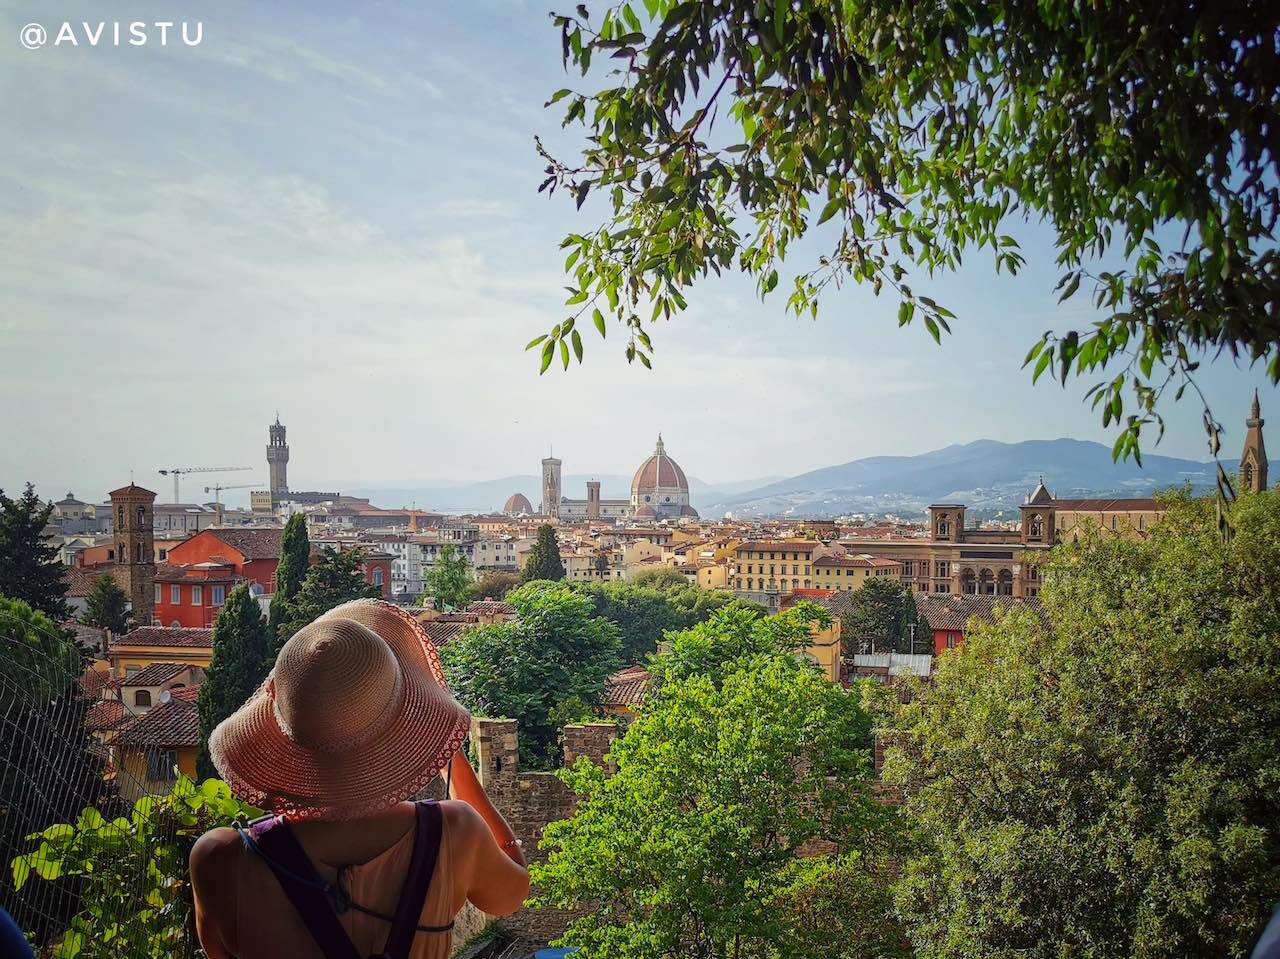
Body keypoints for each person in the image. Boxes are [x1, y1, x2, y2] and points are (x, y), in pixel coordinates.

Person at [190, 599, 529, 959]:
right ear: (406, 726)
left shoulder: (221, 859)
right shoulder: (453, 832)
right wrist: (451, 759)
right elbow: (512, 892)